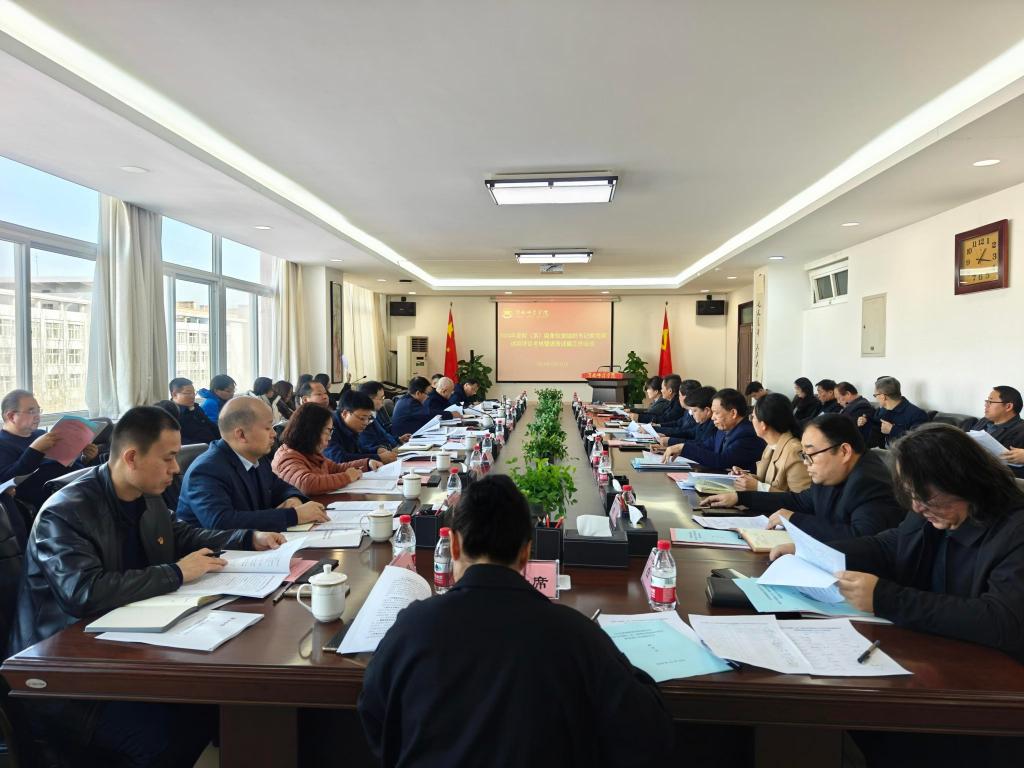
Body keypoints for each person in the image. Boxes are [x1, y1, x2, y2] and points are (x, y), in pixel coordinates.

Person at [8, 405, 286, 768]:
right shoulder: (65, 512)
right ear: (131, 457)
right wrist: (176, 573)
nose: (176, 468)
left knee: (217, 708)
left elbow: (183, 534)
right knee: (165, 738)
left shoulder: (146, 496)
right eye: (168, 457)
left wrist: (248, 537)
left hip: (129, 647)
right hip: (68, 674)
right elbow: (83, 592)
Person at [358, 474, 673, 766]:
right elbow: (649, 730)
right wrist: (618, 661)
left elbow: (373, 712)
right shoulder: (576, 635)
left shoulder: (411, 628)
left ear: (453, 545)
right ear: (526, 553)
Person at [702, 414, 903, 540]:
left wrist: (794, 520)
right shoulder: (833, 472)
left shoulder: (871, 482)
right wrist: (740, 497)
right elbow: (801, 501)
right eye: (804, 455)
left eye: (810, 454)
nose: (806, 462)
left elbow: (861, 538)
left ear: (844, 451)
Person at [176, 397, 327, 531]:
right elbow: (220, 522)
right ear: (241, 434)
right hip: (214, 551)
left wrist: (294, 499)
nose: (274, 434)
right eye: (267, 428)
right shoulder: (207, 469)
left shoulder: (257, 458)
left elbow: (281, 487)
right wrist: (293, 516)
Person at [0, 389, 101, 511]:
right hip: (53, 501)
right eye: (31, 411)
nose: (37, 416)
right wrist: (34, 450)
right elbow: (7, 481)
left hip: (76, 487)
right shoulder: (3, 443)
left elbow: (65, 462)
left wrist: (86, 459)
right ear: (11, 416)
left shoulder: (41, 434)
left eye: (38, 411)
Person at [272, 403, 379, 494]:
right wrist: (347, 477)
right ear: (312, 430)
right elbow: (306, 483)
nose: (330, 437)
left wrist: (367, 463)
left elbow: (336, 468)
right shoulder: (287, 456)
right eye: (328, 431)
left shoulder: (309, 452)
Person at [661, 388, 765, 472]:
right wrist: (678, 448)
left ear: (733, 413)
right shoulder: (723, 429)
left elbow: (722, 461)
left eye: (716, 413)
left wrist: (684, 448)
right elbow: (704, 445)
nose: (712, 417)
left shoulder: (747, 433)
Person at [730, 393, 811, 494]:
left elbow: (801, 499)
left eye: (753, 417)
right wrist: (745, 478)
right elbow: (766, 481)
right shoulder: (770, 445)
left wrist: (758, 487)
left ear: (763, 425)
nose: (751, 421)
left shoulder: (795, 451)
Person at [326, 389, 396, 464]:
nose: (366, 423)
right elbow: (339, 458)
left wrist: (376, 450)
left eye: (369, 418)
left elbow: (358, 451)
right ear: (345, 413)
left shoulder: (349, 426)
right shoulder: (328, 428)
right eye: (362, 418)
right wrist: (378, 458)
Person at [858, 375, 928, 448]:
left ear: (883, 396)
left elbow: (920, 443)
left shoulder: (917, 414)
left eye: (875, 395)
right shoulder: (882, 410)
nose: (876, 398)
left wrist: (892, 430)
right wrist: (866, 421)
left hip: (901, 453)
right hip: (880, 451)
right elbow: (876, 426)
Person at [972, 386, 1024, 478]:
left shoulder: (1021, 430)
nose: (986, 405)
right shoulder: (984, 421)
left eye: (990, 401)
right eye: (987, 401)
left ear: (1008, 406)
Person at [358, 381, 410, 454]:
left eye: (383, 397)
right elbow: (369, 446)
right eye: (381, 398)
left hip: (393, 448)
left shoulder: (378, 412)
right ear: (369, 399)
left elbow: (384, 434)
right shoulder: (362, 419)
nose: (383, 401)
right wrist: (389, 450)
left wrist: (398, 439)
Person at [166, 377, 220, 444]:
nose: (193, 396)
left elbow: (212, 427)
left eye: (194, 393)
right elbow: (177, 440)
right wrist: (204, 446)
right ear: (174, 394)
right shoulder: (169, 413)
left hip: (213, 445)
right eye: (188, 393)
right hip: (196, 448)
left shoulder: (196, 408)